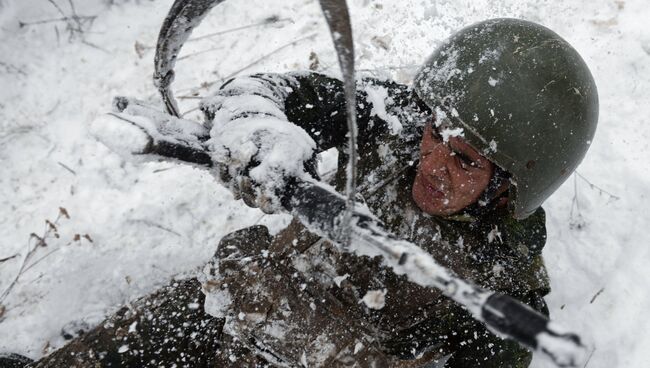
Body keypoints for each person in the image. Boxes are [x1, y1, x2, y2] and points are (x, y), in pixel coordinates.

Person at [30, 18, 598, 368]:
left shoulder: (501, 280)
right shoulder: (390, 118)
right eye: (435, 135)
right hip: (235, 299)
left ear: (509, 187)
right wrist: (256, 125)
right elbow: (271, 90)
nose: (433, 163)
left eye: (466, 160)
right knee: (163, 319)